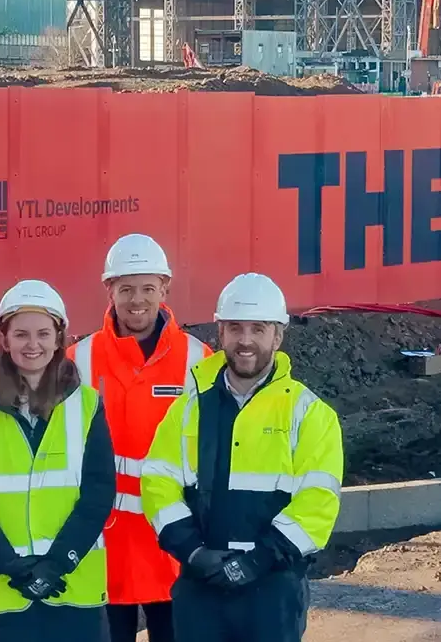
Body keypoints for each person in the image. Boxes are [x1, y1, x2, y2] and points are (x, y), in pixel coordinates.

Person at [139, 273, 343, 642]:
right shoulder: (189, 408)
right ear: (221, 332)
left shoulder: (310, 414)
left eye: (258, 329)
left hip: (273, 589)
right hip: (201, 587)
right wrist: (194, 553)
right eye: (235, 328)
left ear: (277, 336)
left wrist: (256, 561)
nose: (245, 340)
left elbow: (318, 503)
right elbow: (158, 483)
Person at [0, 280, 116, 641]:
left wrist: (58, 563)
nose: (33, 344)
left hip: (74, 591)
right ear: (4, 340)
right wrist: (11, 567)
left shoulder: (87, 405)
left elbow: (98, 493)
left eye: (43, 333)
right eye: (21, 334)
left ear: (59, 339)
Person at [71, 234, 210, 642]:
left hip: (171, 542)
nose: (137, 300)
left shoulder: (197, 361)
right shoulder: (77, 361)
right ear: (109, 290)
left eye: (148, 288)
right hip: (102, 544)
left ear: (164, 289)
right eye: (126, 288)